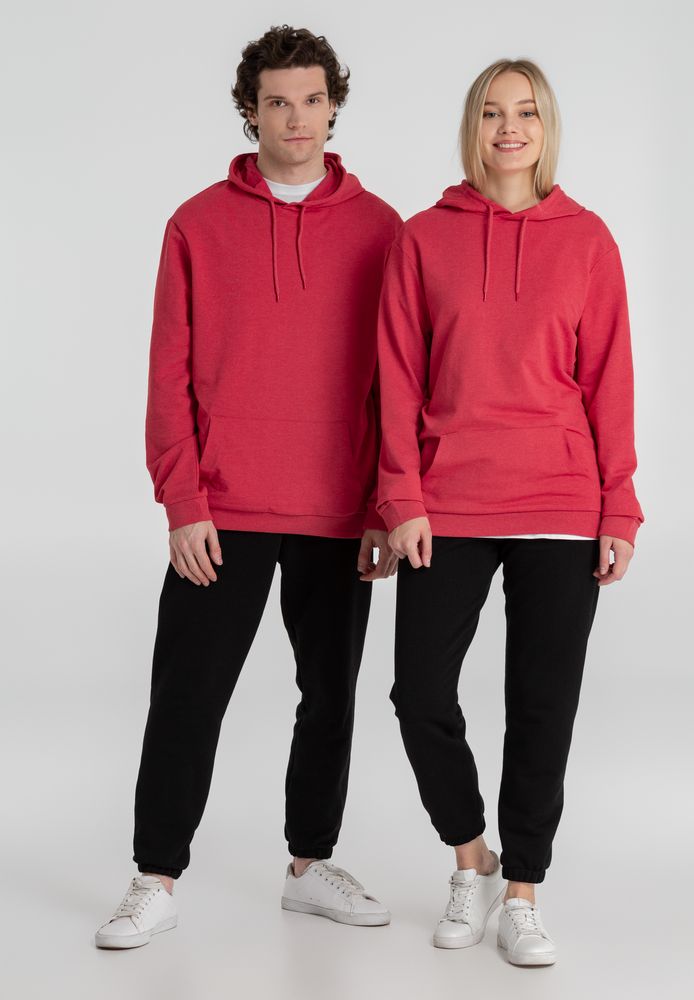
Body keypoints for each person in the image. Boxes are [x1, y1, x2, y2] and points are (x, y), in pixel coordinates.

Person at [94, 24, 402, 949]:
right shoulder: (196, 223)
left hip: (339, 511)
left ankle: (310, 866)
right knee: (187, 696)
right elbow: (167, 374)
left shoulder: (383, 229)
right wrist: (182, 501)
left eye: (312, 100)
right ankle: (155, 876)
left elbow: (397, 378)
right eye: (277, 102)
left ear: (334, 107)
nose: (296, 118)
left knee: (330, 696)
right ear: (250, 110)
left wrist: (385, 503)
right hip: (222, 510)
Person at [375, 57, 645, 965]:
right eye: (492, 113)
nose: (509, 129)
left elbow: (610, 381)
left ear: (546, 126)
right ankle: (473, 860)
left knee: (542, 705)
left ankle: (523, 890)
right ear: (473, 127)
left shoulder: (589, 240)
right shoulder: (423, 239)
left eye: (525, 112)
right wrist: (400, 494)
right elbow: (397, 378)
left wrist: (619, 506)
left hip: (562, 503)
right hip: (448, 499)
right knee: (419, 694)